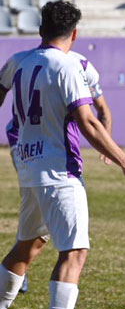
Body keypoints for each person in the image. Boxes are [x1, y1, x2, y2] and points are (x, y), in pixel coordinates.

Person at [0, 1, 125, 309]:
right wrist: (123, 159)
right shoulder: (68, 66)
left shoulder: (19, 61)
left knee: (29, 243)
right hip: (58, 169)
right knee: (75, 250)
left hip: (28, 163)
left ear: (40, 30)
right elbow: (88, 120)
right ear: (75, 33)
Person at [2, 48, 114, 296]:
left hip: (28, 147)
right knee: (68, 245)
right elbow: (99, 115)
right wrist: (118, 155)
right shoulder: (80, 65)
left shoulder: (20, 60)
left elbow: (103, 113)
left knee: (37, 225)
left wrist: (106, 143)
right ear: (73, 34)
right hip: (38, 149)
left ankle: (18, 266)